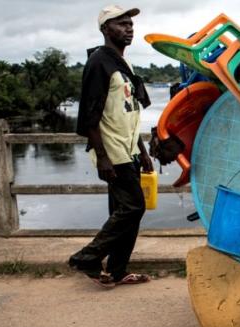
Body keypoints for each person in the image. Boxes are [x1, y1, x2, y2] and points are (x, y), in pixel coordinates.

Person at [68, 5, 153, 289]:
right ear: (105, 29)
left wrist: (141, 151)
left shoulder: (122, 63)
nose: (129, 28)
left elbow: (129, 112)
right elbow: (90, 116)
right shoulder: (98, 63)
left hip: (128, 150)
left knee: (125, 211)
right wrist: (102, 157)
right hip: (112, 152)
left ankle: (117, 271)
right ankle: (87, 257)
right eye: (121, 24)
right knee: (133, 208)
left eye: (130, 24)